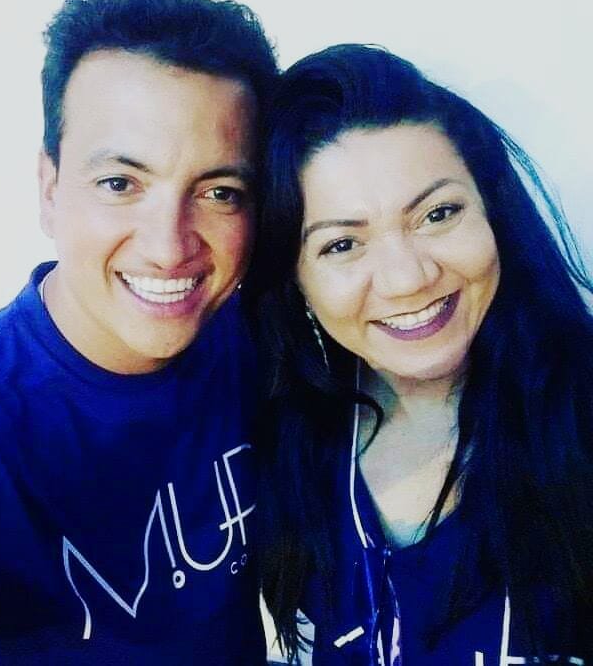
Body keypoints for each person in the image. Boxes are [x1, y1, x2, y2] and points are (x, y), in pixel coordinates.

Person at [0, 0, 277, 664]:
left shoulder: (264, 347)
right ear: (50, 189)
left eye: (219, 192)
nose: (168, 245)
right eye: (120, 184)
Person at [253, 44, 593, 664]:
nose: (407, 278)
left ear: (493, 213)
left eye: (438, 214)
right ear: (294, 281)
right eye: (341, 245)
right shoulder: (286, 444)